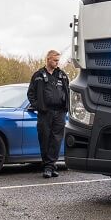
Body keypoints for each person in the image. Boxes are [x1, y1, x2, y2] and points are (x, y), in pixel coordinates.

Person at [27, 50, 69, 178]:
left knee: (56, 140)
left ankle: (50, 166)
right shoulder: (38, 75)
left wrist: (66, 106)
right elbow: (31, 94)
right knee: (44, 139)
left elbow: (68, 92)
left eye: (58, 60)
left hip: (60, 112)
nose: (57, 63)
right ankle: (49, 166)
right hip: (45, 113)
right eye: (55, 60)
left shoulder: (62, 75)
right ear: (48, 59)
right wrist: (38, 106)